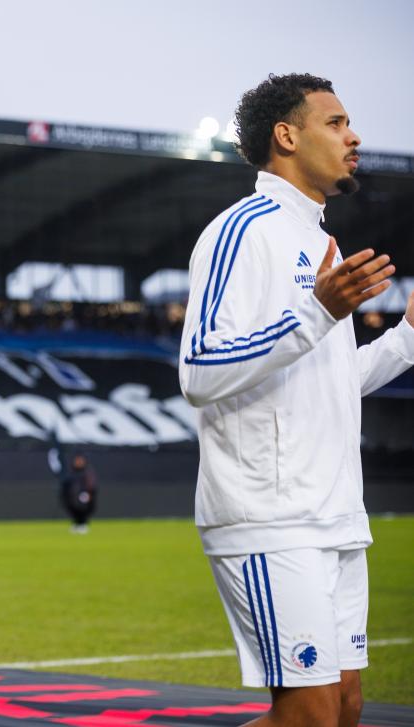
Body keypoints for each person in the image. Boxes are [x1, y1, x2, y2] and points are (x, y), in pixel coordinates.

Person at [179, 73, 414, 727]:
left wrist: (407, 340)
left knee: (345, 707)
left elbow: (328, 379)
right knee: (309, 715)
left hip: (335, 514)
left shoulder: (319, 243)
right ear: (286, 135)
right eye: (335, 122)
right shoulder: (241, 231)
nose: (353, 136)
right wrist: (318, 311)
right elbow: (198, 370)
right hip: (270, 514)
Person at [59, 453, 97, 534]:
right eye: (77, 460)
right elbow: (66, 485)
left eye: (80, 460)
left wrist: (89, 493)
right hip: (72, 497)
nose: (79, 462)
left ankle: (83, 524)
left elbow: (92, 486)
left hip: (84, 496)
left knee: (83, 508)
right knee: (73, 507)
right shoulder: (70, 473)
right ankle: (76, 524)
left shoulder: (87, 473)